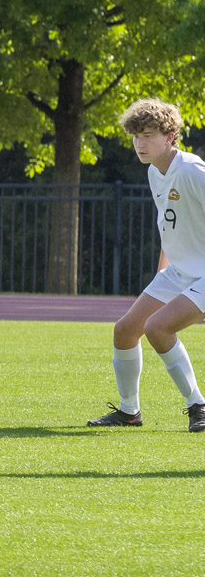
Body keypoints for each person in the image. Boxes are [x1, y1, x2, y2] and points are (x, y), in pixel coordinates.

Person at [87, 99, 205, 432]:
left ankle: (198, 406)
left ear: (171, 137)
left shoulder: (192, 170)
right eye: (136, 136)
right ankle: (129, 412)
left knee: (157, 328)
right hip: (179, 272)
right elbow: (170, 226)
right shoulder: (155, 171)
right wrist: (162, 274)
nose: (140, 143)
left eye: (149, 135)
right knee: (125, 331)